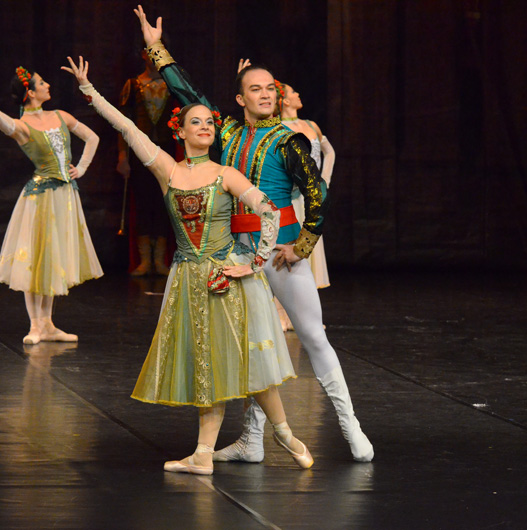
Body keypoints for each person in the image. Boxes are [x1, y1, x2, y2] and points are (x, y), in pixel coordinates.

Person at [134, 5, 374, 462]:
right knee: (250, 343)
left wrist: (302, 245)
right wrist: (156, 48)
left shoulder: (288, 140)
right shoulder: (224, 131)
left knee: (312, 335)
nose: (266, 94)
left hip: (279, 250)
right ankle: (251, 441)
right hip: (234, 253)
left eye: (271, 89)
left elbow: (318, 194)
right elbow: (187, 93)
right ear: (240, 98)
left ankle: (351, 427)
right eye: (255, 89)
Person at [62, 55, 312, 475]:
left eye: (210, 123)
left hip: (226, 275)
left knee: (248, 362)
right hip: (188, 279)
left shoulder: (226, 174)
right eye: (196, 122)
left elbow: (269, 211)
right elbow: (128, 128)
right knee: (206, 365)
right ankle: (203, 453)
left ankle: (284, 432)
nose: (206, 127)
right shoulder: (169, 171)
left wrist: (254, 263)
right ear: (179, 131)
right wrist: (89, 91)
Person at [0, 65, 102, 344]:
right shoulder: (21, 127)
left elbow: (92, 137)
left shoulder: (61, 116)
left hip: (65, 196)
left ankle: (48, 324)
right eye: (42, 83)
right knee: (35, 257)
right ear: (30, 92)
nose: (48, 85)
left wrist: (82, 168)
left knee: (53, 258)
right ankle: (35, 325)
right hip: (40, 199)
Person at [117, 46, 177, 276]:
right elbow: (123, 124)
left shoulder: (172, 84)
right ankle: (144, 260)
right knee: (142, 204)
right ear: (143, 54)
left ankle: (160, 260)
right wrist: (123, 156)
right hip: (140, 153)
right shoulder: (132, 85)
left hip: (166, 152)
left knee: (164, 203)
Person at [278, 81, 334, 290]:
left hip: (308, 197)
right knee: (290, 243)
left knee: (310, 236)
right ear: (284, 100)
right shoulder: (278, 129)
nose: (298, 93)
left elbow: (329, 152)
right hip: (290, 198)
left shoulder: (311, 125)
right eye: (293, 91)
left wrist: (324, 180)